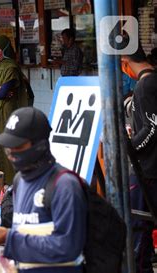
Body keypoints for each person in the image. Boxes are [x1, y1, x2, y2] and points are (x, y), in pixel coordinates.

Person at [0, 107, 87, 273]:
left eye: (17, 146)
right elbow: (26, 233)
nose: (10, 154)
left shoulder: (65, 185)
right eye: (8, 147)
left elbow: (67, 246)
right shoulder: (19, 181)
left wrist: (10, 239)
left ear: (40, 145)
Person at [121, 46, 157, 273]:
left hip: (148, 169)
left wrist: (131, 147)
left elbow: (153, 126)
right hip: (149, 168)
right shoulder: (149, 82)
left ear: (125, 61)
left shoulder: (146, 85)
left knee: (139, 229)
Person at [0, 35, 28, 184]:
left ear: (6, 49)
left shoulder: (11, 67)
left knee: (7, 145)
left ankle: (11, 182)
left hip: (7, 111)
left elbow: (4, 92)